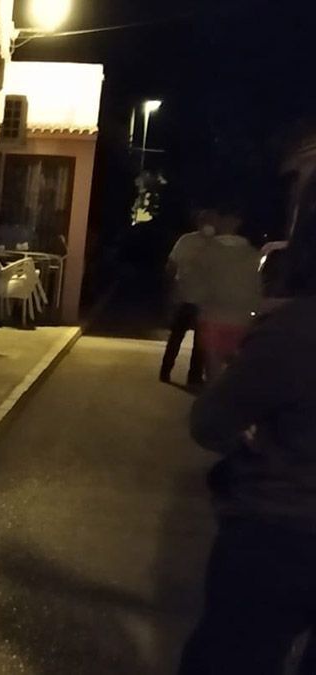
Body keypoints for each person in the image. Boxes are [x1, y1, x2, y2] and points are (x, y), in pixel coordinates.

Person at [180, 213, 316, 674]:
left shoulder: (297, 330)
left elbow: (210, 421)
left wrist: (248, 442)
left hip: (281, 532)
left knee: (231, 656)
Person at [192, 207, 262, 379]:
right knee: (235, 371)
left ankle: (214, 399)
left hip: (213, 317)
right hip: (242, 319)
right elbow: (256, 288)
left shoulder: (207, 251)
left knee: (213, 369)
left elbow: (196, 285)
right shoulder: (252, 254)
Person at [160, 210, 215, 386]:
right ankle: (169, 371)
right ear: (199, 223)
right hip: (186, 297)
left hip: (203, 300)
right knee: (178, 337)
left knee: (197, 342)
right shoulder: (187, 241)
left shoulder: (216, 245)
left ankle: (191, 376)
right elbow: (172, 265)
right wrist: (171, 289)